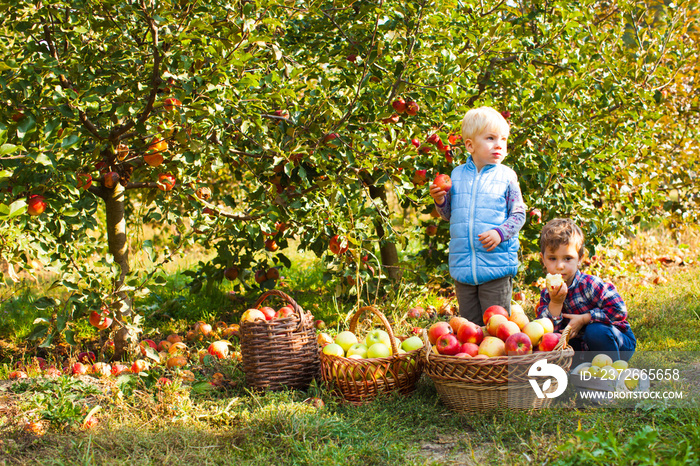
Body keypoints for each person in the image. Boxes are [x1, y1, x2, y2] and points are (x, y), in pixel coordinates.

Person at [429, 106, 526, 325]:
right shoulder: (457, 175)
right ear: (470, 145)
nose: (499, 144)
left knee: (497, 329)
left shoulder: (506, 177)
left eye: (503, 139)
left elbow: (519, 214)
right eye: (491, 138)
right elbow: (449, 215)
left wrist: (500, 233)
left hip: (496, 267)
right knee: (470, 330)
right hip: (463, 268)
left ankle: (499, 362)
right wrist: (440, 201)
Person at [536, 218, 636, 361]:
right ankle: (585, 367)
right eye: (552, 258)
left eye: (567, 258)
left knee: (595, 330)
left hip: (616, 341)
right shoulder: (547, 294)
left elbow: (619, 310)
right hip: (585, 347)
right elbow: (546, 334)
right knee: (563, 342)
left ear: (580, 258)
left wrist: (585, 318)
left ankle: (612, 371)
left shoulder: (590, 285)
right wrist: (556, 303)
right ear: (543, 259)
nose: (559, 266)